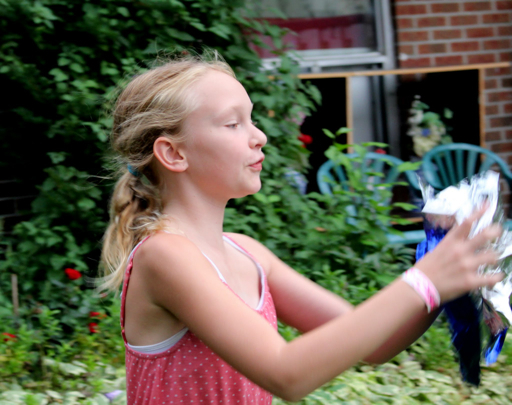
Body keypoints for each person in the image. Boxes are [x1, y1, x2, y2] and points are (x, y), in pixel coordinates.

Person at [100, 53, 502, 405]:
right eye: (233, 124)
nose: (260, 136)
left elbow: (373, 343)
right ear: (173, 153)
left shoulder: (247, 254)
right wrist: (425, 281)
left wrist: (445, 278)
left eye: (252, 119)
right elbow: (286, 373)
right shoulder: (164, 256)